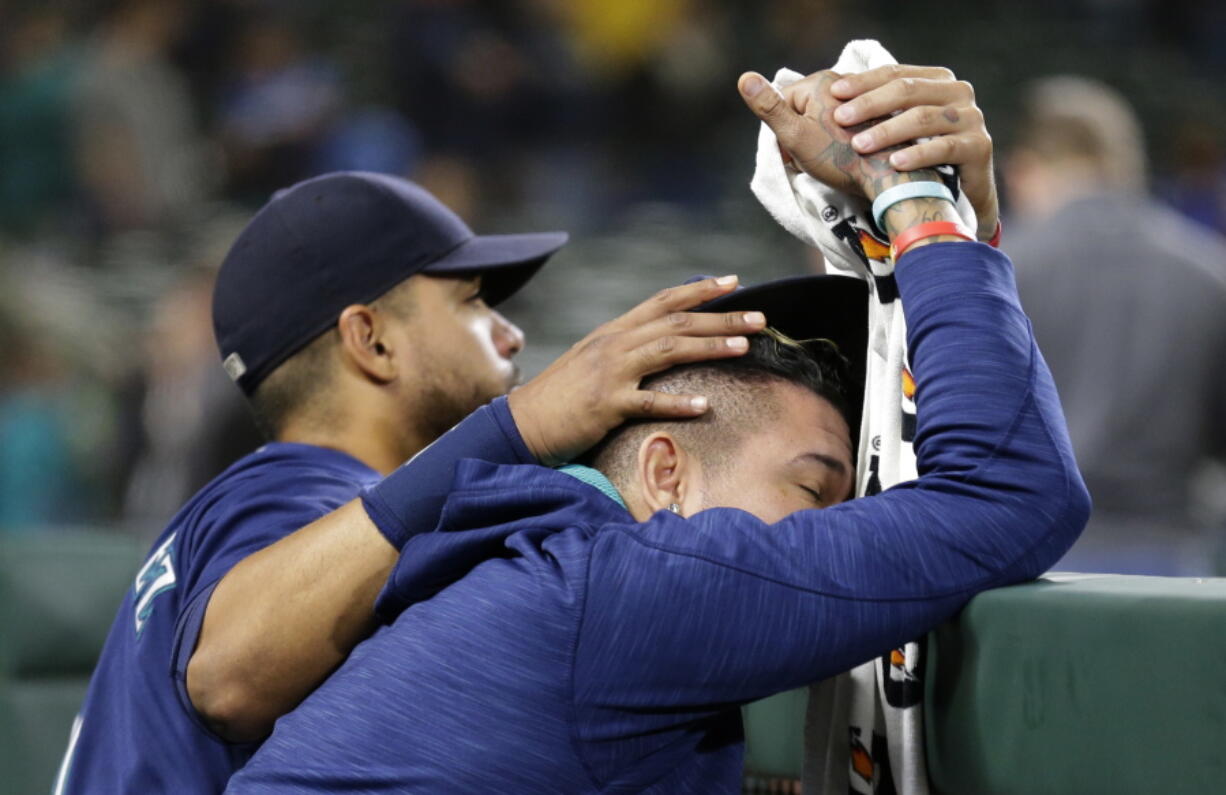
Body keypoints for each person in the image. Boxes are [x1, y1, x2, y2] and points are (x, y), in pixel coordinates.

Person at [225, 69, 1090, 793]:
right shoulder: (624, 587)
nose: (839, 528)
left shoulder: (529, 567)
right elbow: (1013, 490)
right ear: (667, 470)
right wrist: (922, 207)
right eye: (812, 488)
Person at [57, 171, 768, 794]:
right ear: (371, 339)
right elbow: (229, 678)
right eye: (471, 302)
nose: (511, 333)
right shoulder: (298, 491)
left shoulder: (257, 510)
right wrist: (518, 426)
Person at [1005, 76, 1226, 575]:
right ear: (1127, 169)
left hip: (1029, 568)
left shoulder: (997, 272)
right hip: (1172, 574)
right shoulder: (1209, 271)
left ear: (1023, 172)